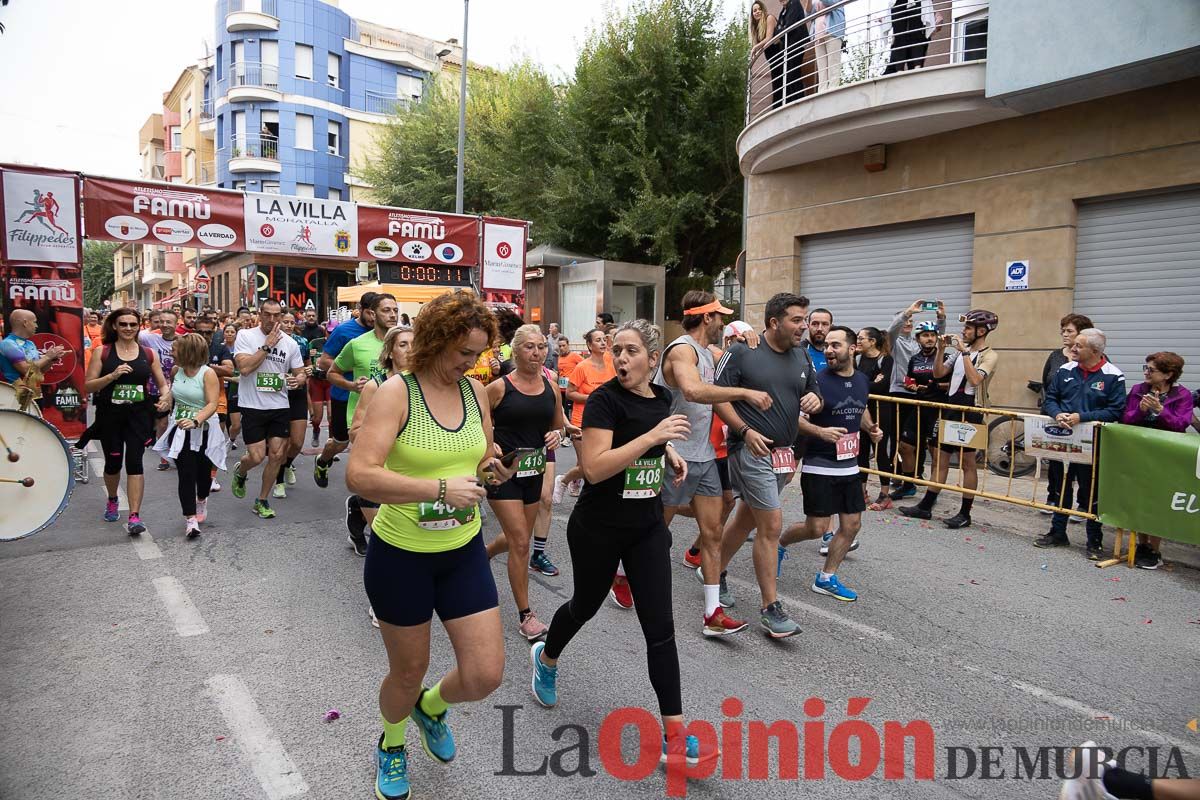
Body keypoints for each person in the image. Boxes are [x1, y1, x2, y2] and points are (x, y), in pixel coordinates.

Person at [529, 319, 719, 770]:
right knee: (585, 606)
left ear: (653, 360)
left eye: (632, 351)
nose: (621, 359)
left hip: (647, 526)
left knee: (661, 628)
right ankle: (547, 658)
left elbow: (646, 446)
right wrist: (654, 439)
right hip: (598, 526)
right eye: (617, 351)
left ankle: (675, 732)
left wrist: (665, 454)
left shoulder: (662, 399)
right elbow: (594, 468)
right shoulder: (603, 399)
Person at [346, 290, 511, 800]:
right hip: (401, 556)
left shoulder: (475, 392)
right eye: (464, 352)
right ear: (437, 341)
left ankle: (431, 706)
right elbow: (360, 475)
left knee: (485, 674)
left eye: (479, 353)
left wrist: (491, 470)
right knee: (408, 669)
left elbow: (478, 458)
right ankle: (391, 744)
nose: (472, 362)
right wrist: (439, 489)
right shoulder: (398, 393)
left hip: (461, 548)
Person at [657, 291, 770, 637]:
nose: (723, 322)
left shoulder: (708, 352)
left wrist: (753, 342)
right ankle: (622, 573)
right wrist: (744, 394)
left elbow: (738, 371)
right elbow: (693, 391)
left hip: (704, 456)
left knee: (712, 533)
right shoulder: (681, 350)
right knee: (654, 530)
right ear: (707, 318)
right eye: (720, 316)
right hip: (673, 453)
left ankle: (712, 614)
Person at [712, 293, 823, 638]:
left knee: (748, 518)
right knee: (772, 524)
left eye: (804, 319)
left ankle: (716, 572)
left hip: (783, 453)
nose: (803, 326)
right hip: (750, 449)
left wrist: (815, 400)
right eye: (796, 320)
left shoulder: (802, 355)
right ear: (774, 322)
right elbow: (718, 397)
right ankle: (770, 608)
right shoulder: (744, 350)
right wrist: (745, 432)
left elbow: (814, 395)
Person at [778, 327, 882, 601]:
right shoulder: (817, 382)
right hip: (820, 464)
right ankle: (780, 544)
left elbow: (859, 408)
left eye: (836, 345)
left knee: (852, 525)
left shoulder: (861, 380)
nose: (829, 350)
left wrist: (871, 428)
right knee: (817, 528)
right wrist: (821, 432)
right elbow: (793, 419)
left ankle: (826, 577)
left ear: (852, 349)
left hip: (849, 466)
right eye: (827, 345)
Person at [482, 324, 566, 640]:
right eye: (529, 347)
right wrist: (490, 444)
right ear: (515, 351)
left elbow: (558, 426)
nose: (536, 352)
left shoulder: (552, 387)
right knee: (520, 541)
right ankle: (526, 615)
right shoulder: (499, 387)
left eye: (541, 347)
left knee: (520, 537)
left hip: (532, 471)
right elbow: (477, 423)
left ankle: (486, 553)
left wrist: (557, 435)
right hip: (500, 471)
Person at [898, 310, 999, 529]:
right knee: (941, 460)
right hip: (950, 409)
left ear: (981, 331)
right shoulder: (960, 352)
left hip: (970, 411)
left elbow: (975, 379)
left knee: (967, 463)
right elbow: (938, 373)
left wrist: (963, 353)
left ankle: (965, 513)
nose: (963, 331)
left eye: (968, 328)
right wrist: (942, 349)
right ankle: (925, 506)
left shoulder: (989, 355)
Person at [1035, 329, 1126, 558]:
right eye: (1073, 345)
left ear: (1094, 351)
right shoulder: (1065, 369)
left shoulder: (1113, 375)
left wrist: (1080, 417)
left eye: (1078, 346)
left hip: (1093, 443)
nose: (1072, 349)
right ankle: (1057, 533)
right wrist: (1058, 415)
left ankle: (1094, 541)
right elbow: (1050, 399)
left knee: (1090, 492)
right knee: (1060, 487)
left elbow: (1115, 410)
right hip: (1061, 439)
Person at [79, 308, 171, 535]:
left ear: (139, 326)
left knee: (135, 462)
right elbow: (88, 385)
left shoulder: (148, 353)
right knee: (113, 463)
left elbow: (162, 383)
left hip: (138, 416)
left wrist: (166, 397)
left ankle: (134, 516)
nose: (128, 328)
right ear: (114, 326)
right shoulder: (103, 351)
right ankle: (112, 499)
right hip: (110, 416)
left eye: (133, 324)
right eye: (123, 324)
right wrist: (112, 376)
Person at [348, 324, 414, 628]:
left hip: (408, 474)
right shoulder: (377, 385)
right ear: (390, 351)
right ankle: (381, 601)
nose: (409, 349)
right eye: (402, 344)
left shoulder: (423, 386)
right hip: (379, 472)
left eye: (414, 343)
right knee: (385, 541)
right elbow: (356, 430)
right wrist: (387, 438)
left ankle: (354, 510)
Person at [331, 293, 400, 552]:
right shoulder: (357, 344)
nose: (392, 315)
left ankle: (357, 508)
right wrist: (351, 385)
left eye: (395, 310)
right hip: (362, 419)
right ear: (372, 313)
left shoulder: (406, 343)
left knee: (392, 478)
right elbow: (331, 371)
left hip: (397, 420)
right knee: (373, 476)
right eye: (386, 310)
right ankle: (382, 537)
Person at [231, 300, 307, 519]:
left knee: (276, 455)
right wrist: (267, 346)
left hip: (279, 405)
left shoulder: (290, 343)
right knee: (255, 457)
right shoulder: (246, 336)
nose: (272, 320)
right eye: (268, 315)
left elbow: (300, 372)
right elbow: (244, 369)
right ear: (260, 315)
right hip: (252, 405)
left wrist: (297, 380)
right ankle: (241, 471)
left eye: (277, 315)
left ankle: (262, 500)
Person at [1122, 351, 1193, 570]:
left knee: (1158, 499)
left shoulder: (1182, 395)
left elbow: (1181, 424)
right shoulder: (1138, 390)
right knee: (1139, 497)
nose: (1146, 373)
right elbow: (1125, 418)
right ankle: (1140, 544)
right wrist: (1141, 411)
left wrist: (1161, 411)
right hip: (1139, 452)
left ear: (1168, 374)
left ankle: (1154, 548)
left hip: (1165, 456)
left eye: (1151, 370)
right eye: (1145, 368)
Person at [153, 333, 227, 539]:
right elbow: (174, 390)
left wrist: (196, 420)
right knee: (185, 474)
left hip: (204, 430)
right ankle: (190, 519)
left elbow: (212, 403)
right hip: (180, 430)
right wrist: (166, 400)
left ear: (188, 351)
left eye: (175, 349)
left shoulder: (207, 374)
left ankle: (201, 499)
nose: (171, 352)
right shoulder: (177, 370)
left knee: (203, 475)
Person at [313, 293, 378, 488]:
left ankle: (368, 487)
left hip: (378, 397)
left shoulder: (389, 334)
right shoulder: (343, 331)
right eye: (370, 313)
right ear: (360, 309)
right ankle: (323, 460)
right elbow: (323, 362)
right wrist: (356, 366)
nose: (374, 318)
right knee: (340, 443)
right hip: (345, 395)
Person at [887, 300, 947, 499]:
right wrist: (907, 312)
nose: (929, 339)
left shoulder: (942, 355)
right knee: (904, 443)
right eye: (925, 335)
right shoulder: (906, 349)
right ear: (919, 338)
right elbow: (891, 332)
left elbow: (940, 340)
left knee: (932, 449)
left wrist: (941, 318)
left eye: (932, 335)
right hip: (909, 399)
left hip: (934, 406)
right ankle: (907, 480)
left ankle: (930, 490)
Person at [553, 329, 616, 504]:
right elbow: (570, 393)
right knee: (587, 464)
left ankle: (577, 481)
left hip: (607, 420)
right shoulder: (582, 367)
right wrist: (593, 398)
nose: (603, 343)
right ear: (589, 345)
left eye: (604, 339)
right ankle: (564, 480)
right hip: (582, 421)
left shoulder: (611, 362)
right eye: (598, 340)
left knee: (602, 461)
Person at [1041, 314, 1094, 519]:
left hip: (1081, 420)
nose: (1064, 334)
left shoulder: (1095, 359)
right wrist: (1055, 411)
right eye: (1062, 330)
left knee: (1081, 466)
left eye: (1069, 331)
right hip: (1056, 417)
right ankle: (1054, 498)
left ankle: (1082, 504)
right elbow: (1047, 385)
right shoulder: (1055, 356)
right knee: (1056, 462)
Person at [270, 313, 312, 499]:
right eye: (285, 322)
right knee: (282, 443)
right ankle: (278, 481)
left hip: (297, 394)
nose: (288, 325)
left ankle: (287, 465)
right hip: (276, 394)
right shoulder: (269, 340)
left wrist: (304, 375)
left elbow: (306, 369)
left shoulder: (301, 342)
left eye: (291, 322)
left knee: (297, 442)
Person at [195, 316, 235, 493]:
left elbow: (229, 369)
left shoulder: (220, 348)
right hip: (192, 401)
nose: (204, 335)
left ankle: (212, 477)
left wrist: (206, 366)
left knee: (215, 440)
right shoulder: (188, 346)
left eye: (208, 332)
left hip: (217, 401)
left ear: (214, 331)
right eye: (200, 332)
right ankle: (195, 473)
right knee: (195, 442)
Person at [857, 327, 895, 509]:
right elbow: (852, 381)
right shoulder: (857, 358)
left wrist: (863, 383)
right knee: (862, 451)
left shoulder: (885, 359)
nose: (858, 341)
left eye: (861, 338)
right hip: (862, 410)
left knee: (880, 451)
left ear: (872, 341)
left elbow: (882, 387)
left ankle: (884, 494)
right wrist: (870, 382)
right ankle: (862, 492)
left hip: (881, 410)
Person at [140, 311, 178, 470]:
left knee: (177, 422)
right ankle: (163, 456)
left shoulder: (185, 341)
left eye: (169, 322)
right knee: (162, 422)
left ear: (176, 323)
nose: (164, 325)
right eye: (161, 322)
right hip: (157, 387)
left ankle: (178, 451)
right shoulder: (148, 338)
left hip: (180, 387)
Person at [1, 309, 67, 382]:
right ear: (25, 323)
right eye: (34, 322)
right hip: (13, 391)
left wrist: (52, 359)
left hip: (33, 391)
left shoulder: (30, 343)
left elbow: (40, 371)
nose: (36, 326)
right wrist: (48, 357)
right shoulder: (8, 344)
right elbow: (26, 370)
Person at [883, 0, 942, 74]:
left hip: (912, 37)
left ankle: (911, 68)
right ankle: (905, 69)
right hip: (906, 38)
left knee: (912, 37)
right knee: (903, 40)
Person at [776, 0, 812, 105]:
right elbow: (776, 31)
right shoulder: (783, 10)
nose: (781, 1)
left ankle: (799, 100)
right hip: (788, 47)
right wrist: (781, 29)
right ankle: (792, 100)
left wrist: (781, 29)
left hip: (796, 44)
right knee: (788, 74)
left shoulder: (795, 3)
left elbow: (789, 26)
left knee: (793, 73)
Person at [749, 0, 783, 109]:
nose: (757, 12)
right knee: (776, 83)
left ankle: (778, 107)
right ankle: (777, 108)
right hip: (772, 59)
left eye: (759, 9)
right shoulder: (757, 27)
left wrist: (755, 47)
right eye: (754, 10)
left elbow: (769, 39)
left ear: (763, 10)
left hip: (780, 55)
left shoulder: (769, 18)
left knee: (779, 82)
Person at [811, 0, 845, 92]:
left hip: (833, 30)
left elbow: (830, 2)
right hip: (818, 34)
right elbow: (808, 13)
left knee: (833, 63)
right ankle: (822, 90)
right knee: (821, 67)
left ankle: (833, 90)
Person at [221, 324, 243, 449]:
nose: (229, 334)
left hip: (240, 388)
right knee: (225, 416)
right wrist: (231, 378)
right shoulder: (219, 349)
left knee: (238, 423)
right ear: (223, 333)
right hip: (224, 386)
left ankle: (231, 438)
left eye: (232, 332)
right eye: (227, 331)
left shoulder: (241, 349)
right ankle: (224, 440)